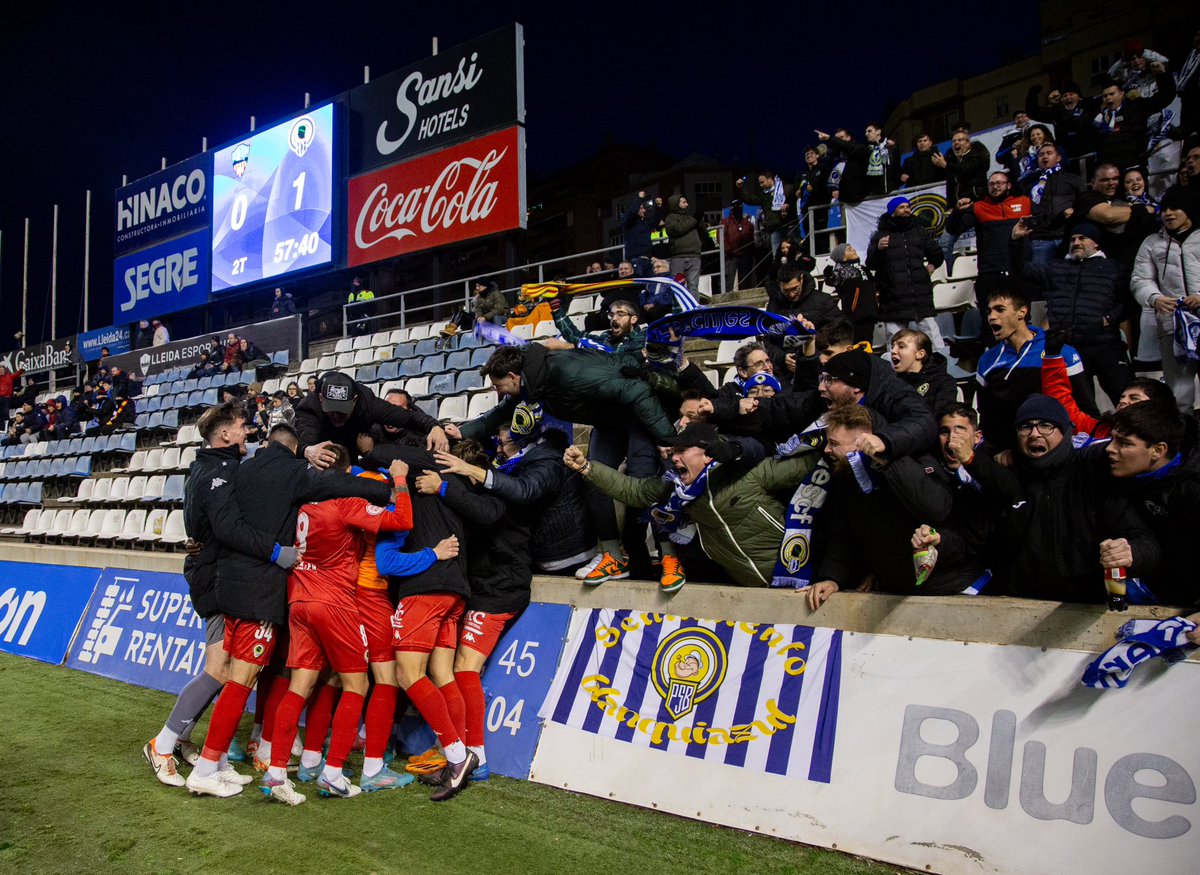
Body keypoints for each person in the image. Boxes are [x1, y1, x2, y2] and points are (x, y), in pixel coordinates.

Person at [183, 423, 397, 798]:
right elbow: (339, 486)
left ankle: (238, 764)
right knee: (243, 679)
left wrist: (196, 542)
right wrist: (390, 487)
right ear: (296, 449)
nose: (245, 434)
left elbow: (219, 518)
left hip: (237, 586)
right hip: (264, 589)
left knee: (250, 677)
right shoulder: (294, 477)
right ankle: (207, 767)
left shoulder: (240, 470)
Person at [260, 447, 415, 805]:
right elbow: (402, 520)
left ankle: (276, 771)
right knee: (357, 683)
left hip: (299, 598)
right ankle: (333, 773)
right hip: (334, 603)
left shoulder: (303, 507)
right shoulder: (346, 504)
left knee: (300, 684)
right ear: (345, 475)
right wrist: (402, 480)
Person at [143, 403, 285, 790]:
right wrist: (276, 551)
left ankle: (209, 753)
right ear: (224, 434)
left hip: (215, 573)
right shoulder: (217, 472)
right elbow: (227, 528)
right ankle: (163, 743)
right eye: (241, 427)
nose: (247, 432)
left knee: (227, 671)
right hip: (214, 579)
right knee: (220, 670)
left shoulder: (210, 466)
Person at [459, 344, 677, 584]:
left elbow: (636, 390)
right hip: (609, 420)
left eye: (498, 385)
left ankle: (670, 557)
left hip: (637, 411)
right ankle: (612, 555)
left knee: (643, 481)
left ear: (513, 377)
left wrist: (667, 439)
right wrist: (459, 433)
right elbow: (499, 414)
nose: (497, 391)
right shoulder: (534, 384)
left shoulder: (566, 373)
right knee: (591, 474)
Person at [371, 439, 508, 801]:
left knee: (407, 674)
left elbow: (385, 563)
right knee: (443, 674)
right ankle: (469, 754)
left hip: (424, 591)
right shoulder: (451, 492)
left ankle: (456, 755)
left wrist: (398, 477)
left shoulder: (404, 494)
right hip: (455, 592)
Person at [949, 394, 1159, 603]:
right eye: (1026, 427)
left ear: (1066, 431)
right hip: (1015, 606)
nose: (1034, 434)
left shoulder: (1093, 476)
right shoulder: (1005, 480)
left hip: (1085, 608)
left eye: (1046, 425)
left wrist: (1131, 553)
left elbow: (1145, 542)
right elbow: (973, 537)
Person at [563, 422, 812, 587]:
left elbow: (811, 464)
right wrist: (587, 468)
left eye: (682, 450)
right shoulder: (677, 488)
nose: (674, 457)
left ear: (707, 453)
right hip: (743, 585)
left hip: (796, 577)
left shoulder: (748, 473)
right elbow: (635, 491)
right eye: (674, 451)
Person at [802, 404, 969, 612]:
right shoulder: (847, 479)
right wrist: (833, 578)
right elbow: (846, 535)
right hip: (896, 595)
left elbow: (937, 509)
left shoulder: (917, 460)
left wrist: (888, 459)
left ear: (861, 443)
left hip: (949, 591)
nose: (827, 450)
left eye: (834, 443)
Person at [1012, 222, 1131, 409]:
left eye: (1082, 238)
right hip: (1069, 347)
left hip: (1105, 344)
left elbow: (1127, 302)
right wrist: (1017, 242)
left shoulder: (1113, 268)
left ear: (1096, 244)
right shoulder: (1055, 267)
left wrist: (1108, 319)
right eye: (1073, 239)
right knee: (1083, 407)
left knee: (1125, 398)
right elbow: (1022, 271)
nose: (1076, 242)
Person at [1099, 401, 1200, 608]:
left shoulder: (1192, 491)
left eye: (1124, 443)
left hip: (1179, 602)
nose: (1110, 448)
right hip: (1131, 585)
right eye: (1112, 439)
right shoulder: (1117, 470)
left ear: (1158, 450)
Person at [975, 287, 1090, 450]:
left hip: (1058, 449)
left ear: (1021, 313)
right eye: (989, 311)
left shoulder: (1059, 351)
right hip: (1011, 453)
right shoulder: (986, 361)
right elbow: (988, 418)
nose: (992, 317)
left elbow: (1086, 407)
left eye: (1000, 310)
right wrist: (998, 452)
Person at [1131, 188, 1200, 413]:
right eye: (1164, 209)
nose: (1168, 214)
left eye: (1175, 208)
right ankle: (1188, 442)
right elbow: (1140, 279)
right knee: (1180, 393)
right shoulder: (1151, 243)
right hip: (1173, 326)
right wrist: (1155, 298)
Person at [294, 371, 447, 469]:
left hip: (352, 449)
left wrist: (434, 426)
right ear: (321, 399)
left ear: (354, 401)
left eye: (342, 411)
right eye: (331, 410)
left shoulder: (367, 402)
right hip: (322, 452)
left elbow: (406, 417)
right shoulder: (309, 407)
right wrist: (308, 450)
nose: (336, 416)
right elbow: (305, 441)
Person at [946, 170, 1032, 315]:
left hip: (1018, 270)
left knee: (1022, 318)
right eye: (991, 184)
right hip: (989, 272)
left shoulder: (1024, 202)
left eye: (999, 183)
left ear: (1009, 185)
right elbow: (953, 229)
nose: (995, 187)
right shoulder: (979, 207)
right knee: (989, 322)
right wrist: (957, 211)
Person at [866, 197, 946, 350]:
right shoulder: (879, 235)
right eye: (902, 207)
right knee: (895, 337)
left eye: (908, 206)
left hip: (919, 293)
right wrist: (879, 249)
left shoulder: (918, 231)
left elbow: (936, 252)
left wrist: (932, 265)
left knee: (931, 332)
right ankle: (896, 370)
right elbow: (871, 263)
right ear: (892, 211)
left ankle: (942, 365)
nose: (907, 209)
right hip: (892, 295)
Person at [1021, 142, 1085, 265]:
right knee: (1040, 277)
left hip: (1066, 236)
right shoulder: (1029, 182)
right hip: (1040, 238)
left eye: (1049, 153)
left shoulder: (1072, 179)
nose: (1045, 156)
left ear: (1058, 158)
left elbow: (1083, 203)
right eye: (1041, 155)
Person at [889, 328, 956, 413]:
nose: (893, 351)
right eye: (892, 347)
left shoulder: (943, 381)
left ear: (920, 354)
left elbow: (942, 417)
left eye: (901, 346)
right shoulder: (890, 383)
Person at [549, 298, 645, 356]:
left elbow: (621, 360)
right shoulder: (605, 338)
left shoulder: (644, 338)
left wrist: (570, 347)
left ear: (633, 319)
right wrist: (555, 307)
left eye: (620, 314)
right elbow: (575, 335)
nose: (614, 318)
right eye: (611, 314)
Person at [822, 246, 877, 344]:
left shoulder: (863, 268)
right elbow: (833, 280)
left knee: (868, 343)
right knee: (857, 343)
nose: (853, 250)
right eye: (848, 249)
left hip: (869, 313)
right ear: (842, 257)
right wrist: (828, 276)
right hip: (855, 315)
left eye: (852, 248)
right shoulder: (840, 271)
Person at [737, 171, 792, 252]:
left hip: (789, 227)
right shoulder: (763, 195)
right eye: (760, 183)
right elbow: (749, 199)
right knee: (776, 255)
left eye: (762, 182)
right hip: (774, 229)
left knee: (793, 252)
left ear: (769, 179)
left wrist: (788, 203)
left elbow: (794, 197)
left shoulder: (784, 188)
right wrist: (740, 188)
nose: (761, 185)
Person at [664, 195, 702, 291]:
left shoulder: (690, 218)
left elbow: (702, 233)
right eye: (683, 202)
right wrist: (695, 220)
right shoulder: (670, 219)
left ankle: (693, 306)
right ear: (676, 203)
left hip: (694, 255)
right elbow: (678, 229)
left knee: (693, 285)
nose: (687, 204)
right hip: (678, 257)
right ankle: (678, 306)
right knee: (677, 286)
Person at [720, 201, 757, 292]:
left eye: (739, 208)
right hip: (731, 255)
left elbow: (752, 239)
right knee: (729, 280)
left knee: (745, 280)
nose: (737, 210)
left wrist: (750, 251)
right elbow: (721, 238)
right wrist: (728, 250)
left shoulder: (747, 223)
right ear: (732, 210)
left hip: (745, 255)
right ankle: (727, 297)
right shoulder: (725, 222)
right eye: (735, 208)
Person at [620, 192, 662, 262]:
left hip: (647, 257)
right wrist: (639, 199)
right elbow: (632, 212)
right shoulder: (628, 222)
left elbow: (656, 221)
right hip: (634, 259)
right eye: (641, 208)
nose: (644, 210)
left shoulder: (644, 222)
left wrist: (658, 207)